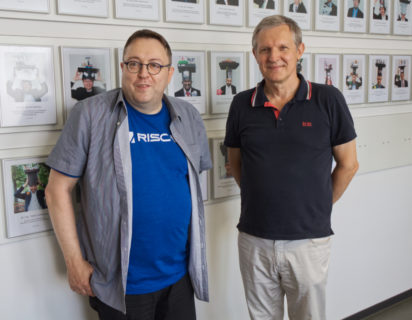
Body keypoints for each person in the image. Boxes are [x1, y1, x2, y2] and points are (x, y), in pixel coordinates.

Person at [45, 29, 212, 320]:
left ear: (169, 73)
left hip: (178, 275)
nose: (144, 74)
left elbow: (191, 184)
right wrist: (73, 260)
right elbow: (56, 189)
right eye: (134, 64)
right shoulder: (90, 114)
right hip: (121, 283)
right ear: (123, 68)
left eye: (154, 65)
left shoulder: (188, 116)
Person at [224, 15, 358, 320]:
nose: (274, 57)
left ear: (300, 50)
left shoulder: (328, 99)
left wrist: (316, 204)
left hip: (308, 241)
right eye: (265, 49)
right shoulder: (242, 104)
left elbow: (348, 165)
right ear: (255, 55)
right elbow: (235, 163)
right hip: (254, 240)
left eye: (283, 47)